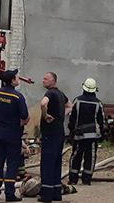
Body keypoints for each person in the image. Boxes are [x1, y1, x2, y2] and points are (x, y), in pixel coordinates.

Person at [0, 69, 27, 202]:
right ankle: (9, 195)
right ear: (12, 81)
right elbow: (24, 117)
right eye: (17, 77)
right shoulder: (17, 96)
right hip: (13, 134)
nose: (18, 79)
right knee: (12, 164)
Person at [67, 77, 106, 186]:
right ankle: (87, 179)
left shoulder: (77, 101)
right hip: (92, 135)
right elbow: (101, 120)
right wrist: (102, 134)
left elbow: (72, 118)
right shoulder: (98, 103)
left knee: (76, 156)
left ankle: (73, 179)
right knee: (90, 156)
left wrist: (71, 131)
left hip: (79, 134)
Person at [37, 72, 68, 202]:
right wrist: (61, 117)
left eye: (46, 79)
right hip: (59, 132)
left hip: (49, 133)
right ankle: (56, 192)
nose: (43, 80)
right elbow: (70, 105)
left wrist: (45, 115)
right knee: (56, 162)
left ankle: (46, 194)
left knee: (47, 162)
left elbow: (43, 104)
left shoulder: (50, 93)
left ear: (53, 81)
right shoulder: (61, 94)